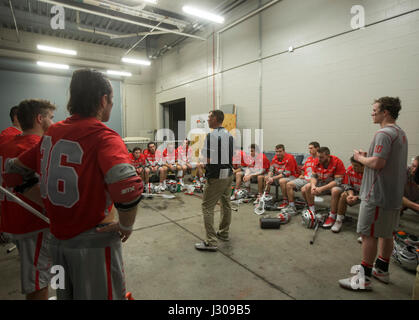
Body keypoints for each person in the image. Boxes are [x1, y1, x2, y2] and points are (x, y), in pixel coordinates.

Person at [4, 69, 143, 299]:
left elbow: (13, 172)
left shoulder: (52, 133)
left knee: (65, 294)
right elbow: (127, 186)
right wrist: (126, 225)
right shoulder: (104, 136)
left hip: (57, 243)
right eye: (112, 100)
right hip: (94, 244)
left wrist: (50, 205)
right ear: (103, 100)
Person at [339, 96, 408, 291]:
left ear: (385, 112)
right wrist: (368, 158)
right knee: (387, 233)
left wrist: (360, 158)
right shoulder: (400, 133)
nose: (372, 113)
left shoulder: (384, 134)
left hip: (377, 194)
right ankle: (382, 270)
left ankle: (364, 278)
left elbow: (378, 164)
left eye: (375, 109)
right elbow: (384, 161)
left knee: (368, 234)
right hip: (393, 194)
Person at [0, 99, 56, 300]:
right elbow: (40, 189)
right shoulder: (37, 147)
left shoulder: (8, 144)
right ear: (39, 119)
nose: (52, 122)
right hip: (33, 220)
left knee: (37, 273)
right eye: (50, 118)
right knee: (38, 278)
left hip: (12, 217)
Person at [195, 110, 234, 252]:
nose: (208, 120)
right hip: (228, 174)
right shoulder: (229, 135)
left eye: (209, 117)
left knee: (207, 207)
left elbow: (208, 159)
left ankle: (211, 241)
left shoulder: (211, 136)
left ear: (216, 118)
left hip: (216, 176)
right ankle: (224, 233)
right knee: (226, 203)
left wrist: (200, 163)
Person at [301, 147, 346, 221]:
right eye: (318, 156)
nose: (319, 159)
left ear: (328, 156)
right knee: (307, 187)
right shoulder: (317, 161)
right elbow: (313, 177)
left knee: (335, 190)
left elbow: (337, 181)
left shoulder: (337, 162)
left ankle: (332, 216)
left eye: (321, 157)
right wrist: (313, 186)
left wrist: (321, 189)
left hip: (334, 185)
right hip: (322, 183)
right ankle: (312, 211)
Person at [280, 141, 320, 215]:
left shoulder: (320, 159)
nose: (309, 150)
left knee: (304, 189)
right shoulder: (308, 159)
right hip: (304, 179)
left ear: (317, 148)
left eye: (311, 148)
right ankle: (292, 207)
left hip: (313, 180)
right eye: (309, 148)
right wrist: (302, 175)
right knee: (289, 184)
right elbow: (303, 169)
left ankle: (309, 206)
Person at [330, 156, 364, 233]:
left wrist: (358, 197)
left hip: (367, 195)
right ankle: (338, 220)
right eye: (353, 165)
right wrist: (351, 195)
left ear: (364, 165)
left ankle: (364, 228)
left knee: (368, 204)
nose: (354, 168)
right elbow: (347, 185)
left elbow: (371, 191)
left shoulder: (370, 174)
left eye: (356, 166)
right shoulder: (350, 170)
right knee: (343, 195)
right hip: (355, 192)